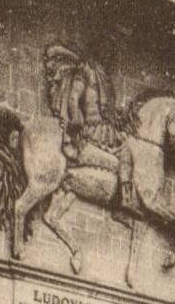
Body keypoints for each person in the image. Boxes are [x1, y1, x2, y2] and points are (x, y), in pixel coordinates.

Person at [43, 44, 135, 208]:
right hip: (91, 130)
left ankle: (126, 196)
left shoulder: (105, 80)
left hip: (106, 131)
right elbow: (74, 97)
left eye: (111, 55)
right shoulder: (86, 71)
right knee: (120, 157)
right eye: (107, 53)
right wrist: (75, 118)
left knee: (126, 151)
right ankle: (125, 198)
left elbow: (107, 112)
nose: (109, 58)